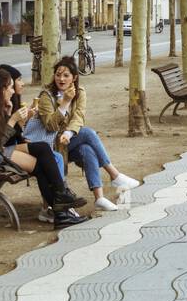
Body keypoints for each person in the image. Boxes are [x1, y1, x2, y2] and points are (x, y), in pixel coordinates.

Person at [0, 69, 88, 229]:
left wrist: (14, 118)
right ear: (1, 89)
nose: (13, 91)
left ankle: (61, 201)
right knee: (40, 167)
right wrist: (12, 119)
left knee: (42, 148)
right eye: (10, 87)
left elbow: (5, 138)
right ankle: (61, 210)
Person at [34, 57, 140, 213]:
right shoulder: (46, 96)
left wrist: (69, 133)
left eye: (66, 75)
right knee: (88, 133)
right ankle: (114, 175)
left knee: (86, 149)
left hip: (69, 141)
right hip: (51, 145)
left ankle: (99, 198)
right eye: (58, 74)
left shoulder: (80, 92)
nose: (61, 79)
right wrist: (64, 103)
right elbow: (50, 125)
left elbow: (79, 117)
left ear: (74, 77)